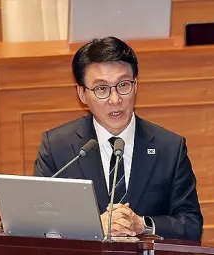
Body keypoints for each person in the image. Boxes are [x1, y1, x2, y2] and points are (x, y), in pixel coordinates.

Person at [34, 36, 203, 241]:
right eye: (101, 89)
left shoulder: (169, 148)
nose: (115, 100)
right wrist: (94, 225)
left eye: (123, 85)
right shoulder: (57, 147)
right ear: (82, 94)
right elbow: (40, 220)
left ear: (135, 85)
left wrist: (143, 224)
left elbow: (191, 225)